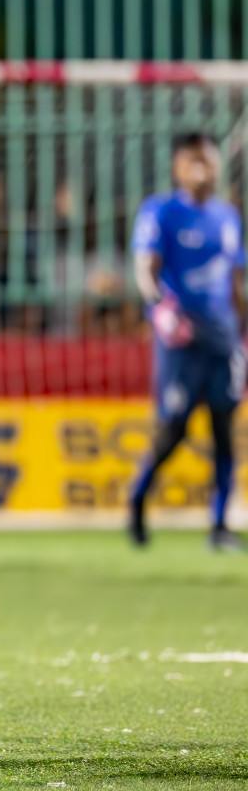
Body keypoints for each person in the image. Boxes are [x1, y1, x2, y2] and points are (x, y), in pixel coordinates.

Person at [129, 132, 245, 552]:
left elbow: (235, 281)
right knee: (174, 428)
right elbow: (146, 267)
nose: (200, 168)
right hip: (181, 336)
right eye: (192, 160)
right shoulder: (161, 211)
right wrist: (159, 308)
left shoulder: (228, 216)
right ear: (178, 166)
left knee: (224, 430)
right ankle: (138, 498)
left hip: (223, 337)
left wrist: (243, 331)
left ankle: (219, 526)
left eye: (207, 160)